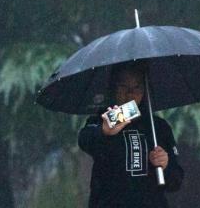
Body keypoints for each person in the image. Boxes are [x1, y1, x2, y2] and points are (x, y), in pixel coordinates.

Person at [78, 61, 184, 207]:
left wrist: (165, 165)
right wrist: (104, 132)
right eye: (123, 86)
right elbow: (85, 139)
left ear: (145, 90)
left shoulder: (157, 126)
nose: (130, 93)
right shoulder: (104, 119)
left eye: (137, 87)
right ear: (114, 88)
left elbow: (175, 182)